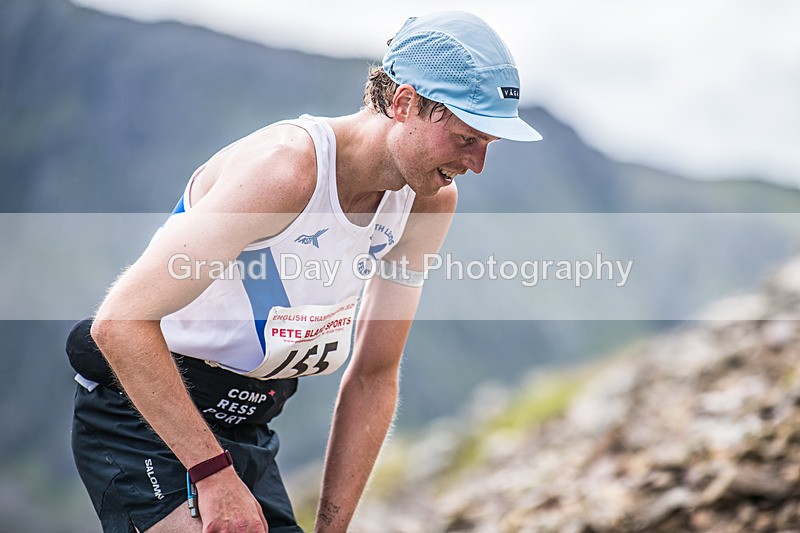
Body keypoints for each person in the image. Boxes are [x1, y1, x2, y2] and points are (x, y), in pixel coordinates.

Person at [68, 10, 541, 533]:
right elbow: (120, 324)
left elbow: (373, 374)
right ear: (405, 103)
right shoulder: (285, 171)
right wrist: (212, 474)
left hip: (250, 422)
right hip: (143, 415)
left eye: (487, 145)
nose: (476, 165)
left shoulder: (430, 202)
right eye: (466, 139)